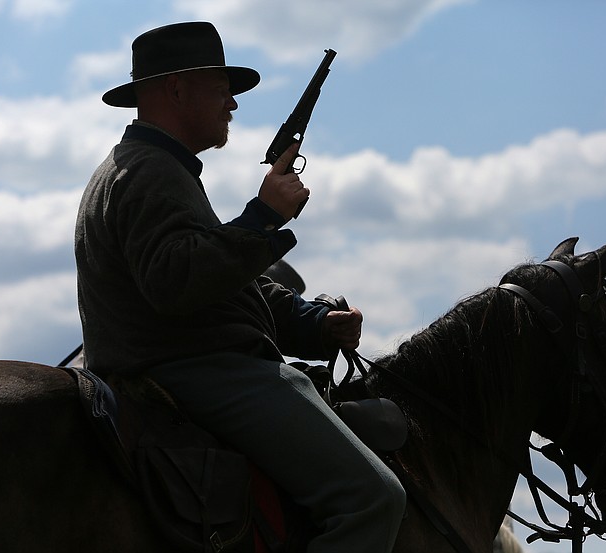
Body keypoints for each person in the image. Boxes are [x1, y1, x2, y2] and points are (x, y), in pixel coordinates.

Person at [74, 21, 405, 553]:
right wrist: (263, 216)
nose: (232, 103)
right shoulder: (150, 171)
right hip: (196, 370)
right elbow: (178, 283)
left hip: (179, 365)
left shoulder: (150, 166)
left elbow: (221, 285)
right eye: (220, 86)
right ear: (176, 89)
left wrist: (314, 323)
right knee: (372, 498)